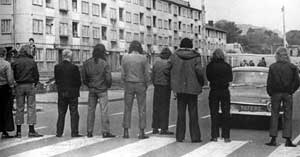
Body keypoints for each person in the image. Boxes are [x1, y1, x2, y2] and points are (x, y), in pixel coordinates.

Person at [168, 38, 204, 143]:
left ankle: (180, 136)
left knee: (181, 113)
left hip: (179, 88)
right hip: (193, 88)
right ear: (191, 45)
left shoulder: (174, 56)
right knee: (193, 113)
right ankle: (195, 137)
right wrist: (201, 83)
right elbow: (199, 71)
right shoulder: (196, 57)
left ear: (181, 45)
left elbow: (167, 68)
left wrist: (173, 80)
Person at [266, 47, 300, 147]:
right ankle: (288, 139)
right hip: (287, 93)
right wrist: (291, 90)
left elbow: (269, 82)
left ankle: (273, 138)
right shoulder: (292, 67)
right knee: (288, 116)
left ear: (277, 55)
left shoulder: (272, 67)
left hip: (276, 93)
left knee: (274, 115)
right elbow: (297, 81)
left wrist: (270, 92)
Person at [82, 44, 116, 138]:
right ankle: (105, 132)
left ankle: (89, 131)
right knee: (104, 111)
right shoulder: (104, 63)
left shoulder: (87, 63)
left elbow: (84, 78)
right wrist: (107, 86)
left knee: (90, 110)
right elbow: (108, 78)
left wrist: (89, 85)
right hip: (102, 90)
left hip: (92, 90)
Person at [121, 40, 151, 139]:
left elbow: (123, 74)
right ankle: (142, 132)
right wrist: (147, 84)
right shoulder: (143, 58)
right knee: (142, 108)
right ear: (139, 48)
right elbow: (147, 74)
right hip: (140, 84)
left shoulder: (125, 57)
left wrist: (125, 83)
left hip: (129, 83)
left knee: (127, 108)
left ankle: (126, 131)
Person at [12, 45, 42, 138]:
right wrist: (35, 83)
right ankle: (31, 130)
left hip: (19, 86)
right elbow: (36, 75)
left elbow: (12, 75)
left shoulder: (15, 62)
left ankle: (18, 131)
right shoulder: (32, 62)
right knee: (31, 107)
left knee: (19, 108)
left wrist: (14, 84)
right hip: (30, 85)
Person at [206, 49, 233, 143]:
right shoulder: (227, 66)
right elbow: (230, 78)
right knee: (226, 113)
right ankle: (226, 136)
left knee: (214, 113)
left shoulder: (210, 66)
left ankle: (214, 136)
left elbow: (208, 77)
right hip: (224, 91)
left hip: (214, 91)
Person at [54, 49, 82, 138]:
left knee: (61, 113)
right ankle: (74, 132)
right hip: (73, 93)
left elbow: (57, 80)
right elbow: (78, 81)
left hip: (61, 93)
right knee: (74, 113)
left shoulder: (57, 67)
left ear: (63, 56)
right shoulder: (74, 67)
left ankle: (59, 132)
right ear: (70, 56)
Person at [151, 47, 173, 135]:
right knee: (165, 107)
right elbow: (171, 75)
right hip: (165, 87)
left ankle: (155, 127)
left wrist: (155, 83)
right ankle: (164, 128)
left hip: (157, 86)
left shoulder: (156, 62)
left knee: (156, 107)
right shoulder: (169, 63)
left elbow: (152, 75)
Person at [0, 47, 15, 138]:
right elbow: (10, 79)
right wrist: (12, 86)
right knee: (6, 109)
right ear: (4, 54)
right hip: (4, 88)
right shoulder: (6, 64)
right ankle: (5, 130)